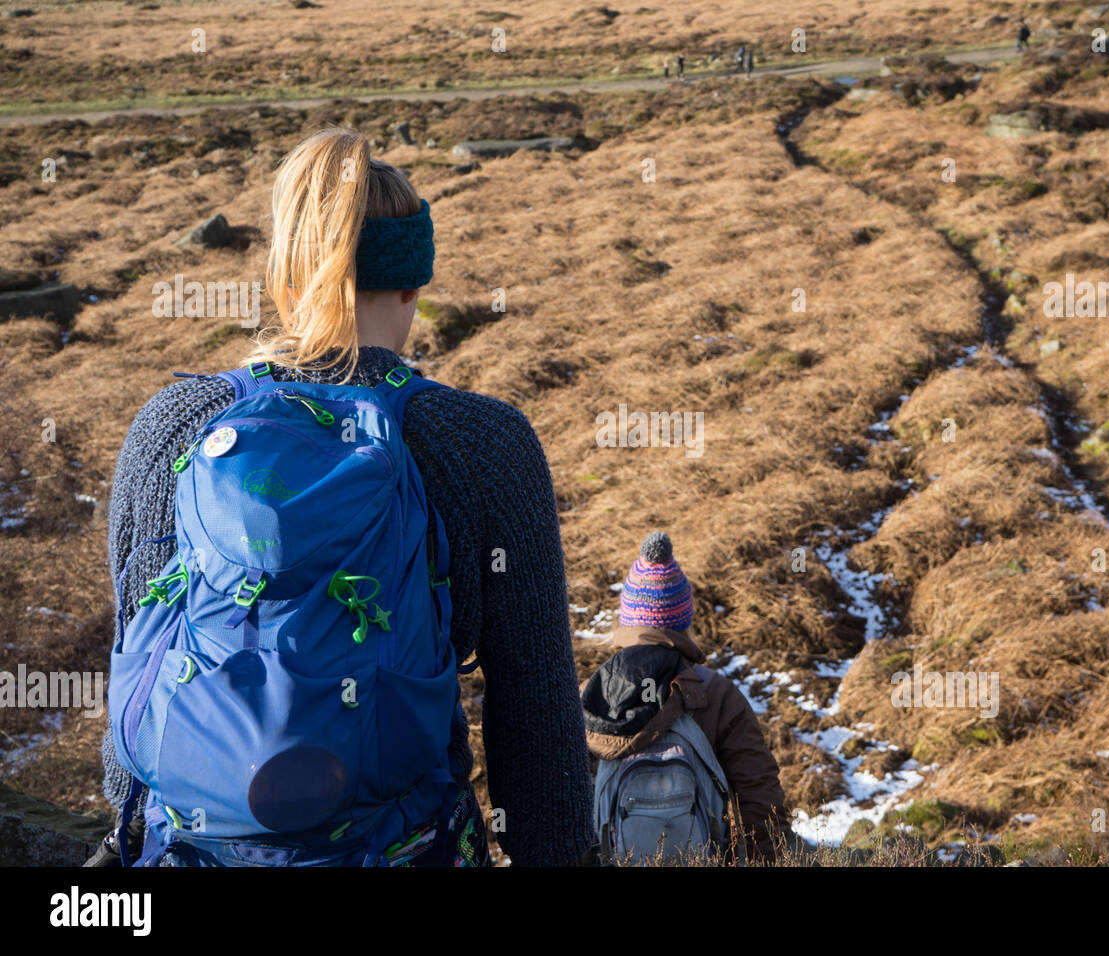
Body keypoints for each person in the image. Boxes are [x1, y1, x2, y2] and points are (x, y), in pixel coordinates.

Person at [87, 128, 593, 867]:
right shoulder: (483, 440)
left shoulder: (173, 428)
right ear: (414, 281)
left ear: (283, 272)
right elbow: (535, 715)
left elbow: (141, 656)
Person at [582, 532, 789, 863]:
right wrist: (763, 857)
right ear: (683, 619)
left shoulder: (590, 695)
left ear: (627, 618)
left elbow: (559, 798)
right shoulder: (716, 693)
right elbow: (759, 794)